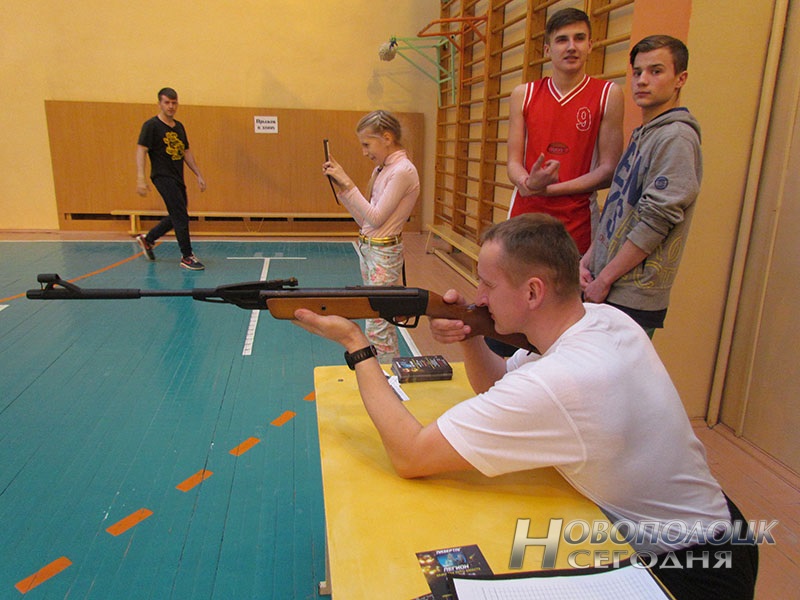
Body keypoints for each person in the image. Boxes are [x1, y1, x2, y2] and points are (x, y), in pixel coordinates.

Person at [293, 213, 758, 599]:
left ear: (533, 292)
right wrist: (471, 334)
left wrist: (356, 345)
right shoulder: (603, 320)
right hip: (714, 526)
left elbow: (411, 455)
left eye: (487, 285)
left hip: (690, 572)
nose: (478, 297)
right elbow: (498, 386)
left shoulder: (563, 380)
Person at [580, 36, 701, 336]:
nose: (642, 80)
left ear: (680, 79)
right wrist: (590, 259)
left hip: (631, 295)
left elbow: (655, 221)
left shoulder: (676, 138)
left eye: (656, 71)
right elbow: (617, 207)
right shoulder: (644, 134)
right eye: (637, 72)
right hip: (606, 285)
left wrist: (605, 279)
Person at [506, 7, 624, 255]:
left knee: (572, 281)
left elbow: (608, 171)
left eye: (579, 38)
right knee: (518, 277)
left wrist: (547, 189)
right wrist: (527, 182)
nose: (571, 46)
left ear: (590, 45)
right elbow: (513, 163)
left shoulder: (608, 94)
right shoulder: (523, 94)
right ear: (547, 50)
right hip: (526, 213)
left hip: (577, 219)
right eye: (562, 40)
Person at [322, 110, 420, 361]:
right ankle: (390, 370)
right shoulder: (383, 169)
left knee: (378, 324)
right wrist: (343, 190)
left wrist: (348, 183)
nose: (364, 152)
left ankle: (384, 374)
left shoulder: (402, 171)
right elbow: (366, 222)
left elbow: (375, 218)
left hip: (383, 253)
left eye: (367, 144)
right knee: (378, 319)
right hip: (370, 249)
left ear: (387, 138)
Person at [135, 87, 207, 270]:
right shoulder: (151, 126)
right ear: (160, 103)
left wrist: (198, 174)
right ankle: (187, 256)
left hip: (177, 177)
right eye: (167, 102)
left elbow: (186, 152)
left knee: (178, 213)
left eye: (174, 103)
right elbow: (141, 150)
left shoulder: (179, 127)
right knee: (180, 214)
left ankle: (148, 239)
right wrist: (140, 178)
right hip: (162, 176)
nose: (171, 106)